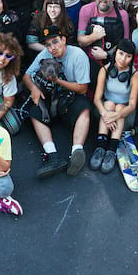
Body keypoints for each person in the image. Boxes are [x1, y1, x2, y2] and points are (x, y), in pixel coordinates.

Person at [22, 26, 91, 179]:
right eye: (48, 45)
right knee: (35, 112)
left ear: (64, 40)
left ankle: (77, 151)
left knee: (84, 108)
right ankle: (52, 155)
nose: (52, 48)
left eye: (55, 42)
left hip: (70, 95)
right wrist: (34, 89)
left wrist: (57, 80)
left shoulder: (77, 55)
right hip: (50, 96)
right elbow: (26, 75)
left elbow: (82, 88)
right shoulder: (45, 54)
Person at [90, 39, 138, 173]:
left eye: (128, 56)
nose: (123, 59)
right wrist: (106, 115)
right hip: (104, 112)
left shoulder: (135, 75)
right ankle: (100, 148)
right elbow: (97, 99)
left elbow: (132, 105)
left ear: (132, 58)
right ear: (115, 52)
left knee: (119, 107)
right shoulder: (105, 69)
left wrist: (117, 115)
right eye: (121, 53)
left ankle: (111, 151)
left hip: (124, 115)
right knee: (109, 103)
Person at [77, 0, 130, 85]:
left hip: (113, 60)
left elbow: (126, 45)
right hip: (89, 60)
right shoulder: (86, 10)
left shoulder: (122, 15)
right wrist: (94, 36)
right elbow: (80, 40)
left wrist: (107, 55)